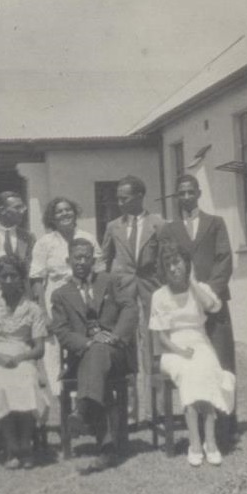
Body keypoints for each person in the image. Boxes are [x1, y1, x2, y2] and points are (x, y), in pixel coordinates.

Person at [158, 174, 238, 444]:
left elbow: (224, 260)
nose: (186, 197)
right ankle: (197, 423)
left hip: (213, 304)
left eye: (190, 192)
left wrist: (208, 294)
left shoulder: (215, 223)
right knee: (194, 363)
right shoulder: (169, 229)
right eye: (181, 193)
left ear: (199, 193)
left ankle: (225, 425)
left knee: (222, 360)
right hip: (184, 308)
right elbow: (166, 264)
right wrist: (182, 293)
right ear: (176, 197)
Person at [49, 238, 138, 473]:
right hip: (83, 355)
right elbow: (62, 332)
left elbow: (130, 308)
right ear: (68, 260)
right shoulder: (60, 294)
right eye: (76, 258)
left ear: (93, 260)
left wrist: (115, 336)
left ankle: (82, 410)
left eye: (86, 257)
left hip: (114, 353)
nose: (81, 262)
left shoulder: (109, 281)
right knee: (95, 358)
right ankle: (107, 448)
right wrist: (88, 342)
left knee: (98, 354)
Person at [149, 242, 235, 466]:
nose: (173, 268)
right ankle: (196, 442)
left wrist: (193, 282)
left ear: (186, 264)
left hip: (200, 343)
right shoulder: (159, 295)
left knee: (206, 369)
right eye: (168, 264)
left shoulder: (199, 289)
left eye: (177, 262)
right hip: (173, 350)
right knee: (189, 372)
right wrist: (180, 351)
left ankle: (210, 442)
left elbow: (213, 307)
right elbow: (162, 338)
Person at [100, 175, 164, 423]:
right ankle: (129, 414)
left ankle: (154, 411)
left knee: (152, 351)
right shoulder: (113, 226)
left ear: (139, 196)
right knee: (126, 352)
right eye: (117, 198)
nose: (120, 203)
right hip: (123, 296)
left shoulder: (158, 223)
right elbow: (104, 260)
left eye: (124, 198)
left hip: (151, 293)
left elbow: (165, 258)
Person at [0, 255, 50, 469]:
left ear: (22, 279)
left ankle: (25, 444)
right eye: (4, 276)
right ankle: (11, 446)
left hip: (23, 356)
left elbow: (39, 348)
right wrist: (1, 359)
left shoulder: (33, 309)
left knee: (26, 381)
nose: (8, 280)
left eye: (13, 276)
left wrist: (19, 358)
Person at [28, 197, 98, 396]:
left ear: (75, 213)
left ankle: (84, 396)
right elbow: (37, 278)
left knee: (83, 343)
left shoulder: (88, 237)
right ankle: (59, 399)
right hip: (55, 300)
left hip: (83, 297)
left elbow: (98, 270)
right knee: (54, 349)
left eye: (68, 209)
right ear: (52, 217)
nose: (64, 214)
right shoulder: (44, 243)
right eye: (59, 211)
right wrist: (43, 312)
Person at [0, 191, 35, 267]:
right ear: (2, 210)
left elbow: (33, 266)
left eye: (22, 207)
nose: (22, 211)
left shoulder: (28, 237)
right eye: (17, 208)